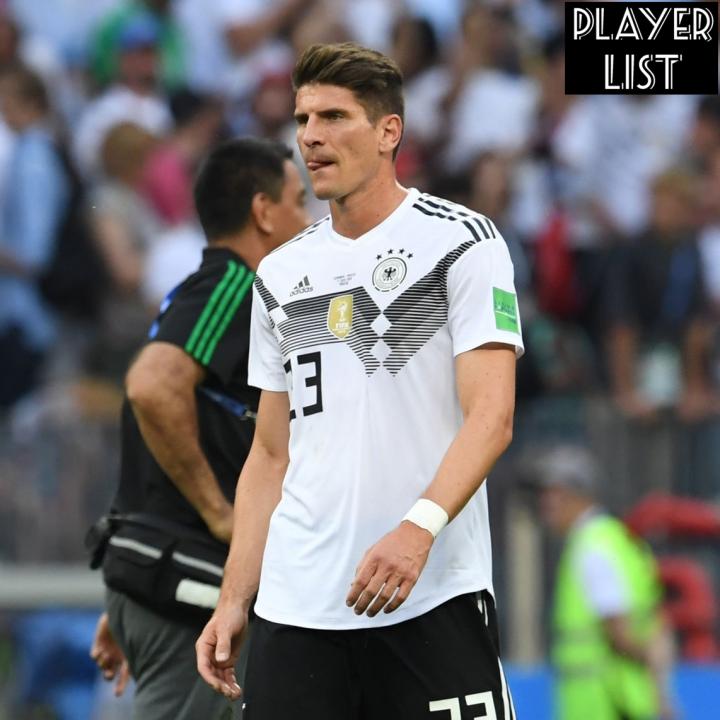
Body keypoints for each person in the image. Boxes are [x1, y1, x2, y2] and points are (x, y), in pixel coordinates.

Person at [196, 42, 524, 719]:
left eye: (334, 116)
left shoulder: (462, 242)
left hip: (430, 594)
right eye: (303, 119)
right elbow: (270, 454)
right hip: (298, 607)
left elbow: (491, 419)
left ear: (388, 132)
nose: (310, 136)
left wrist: (416, 531)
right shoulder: (280, 273)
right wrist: (234, 597)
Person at [88, 137, 310, 720]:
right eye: (297, 201)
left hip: (166, 574)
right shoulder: (235, 286)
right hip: (192, 582)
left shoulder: (204, 290)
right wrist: (218, 516)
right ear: (263, 211)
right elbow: (151, 387)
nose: (308, 217)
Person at [534, 445, 675, 720]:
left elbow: (619, 629)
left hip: (605, 702)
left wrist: (654, 666)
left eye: (554, 492)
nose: (546, 503)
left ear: (578, 495)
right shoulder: (608, 538)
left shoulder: (593, 547)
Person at [0, 64, 69, 408]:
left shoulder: (34, 158)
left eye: (8, 99)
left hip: (27, 316)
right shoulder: (31, 150)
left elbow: (33, 255)